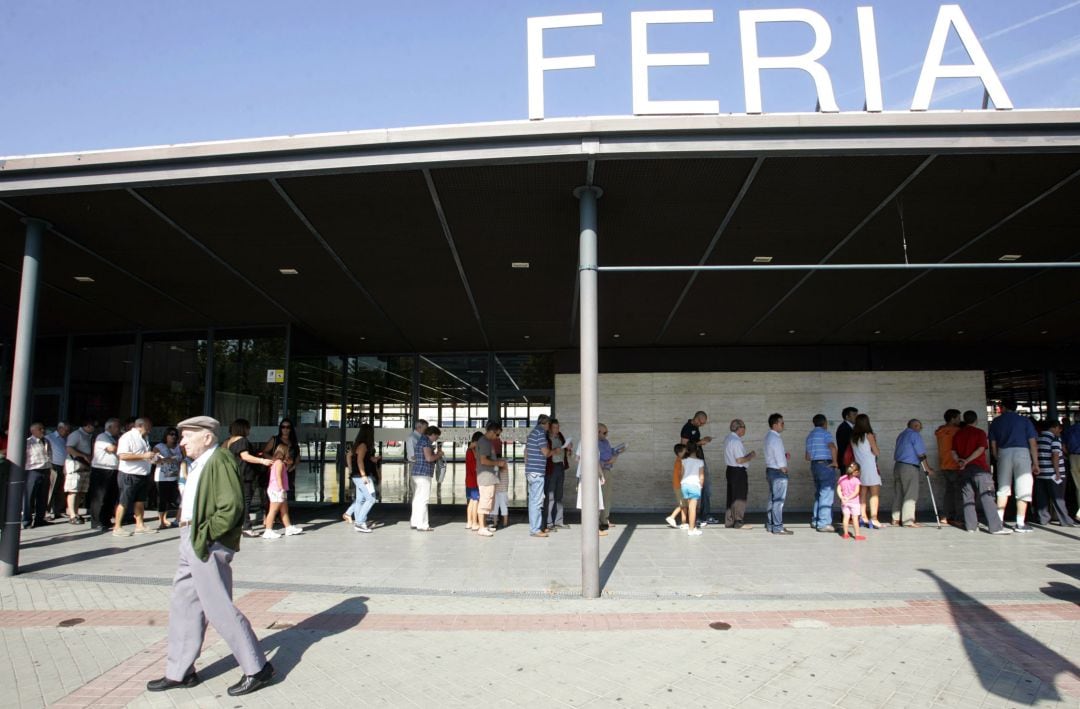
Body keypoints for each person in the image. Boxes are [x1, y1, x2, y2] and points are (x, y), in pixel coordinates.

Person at [146, 415, 274, 696]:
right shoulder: (200, 462)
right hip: (191, 536)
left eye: (187, 436)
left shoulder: (220, 460)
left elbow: (231, 507)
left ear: (206, 437)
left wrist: (205, 534)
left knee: (218, 607)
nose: (182, 441)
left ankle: (257, 668)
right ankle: (180, 672)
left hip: (205, 540)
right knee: (184, 605)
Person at [953, 409, 1010, 534]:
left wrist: (960, 462)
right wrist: (967, 461)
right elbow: (980, 449)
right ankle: (995, 527)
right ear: (976, 420)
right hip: (979, 469)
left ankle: (971, 526)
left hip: (964, 470)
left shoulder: (958, 434)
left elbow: (953, 452)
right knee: (987, 497)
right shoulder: (980, 433)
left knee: (967, 497)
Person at [988, 398, 1039, 533]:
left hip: (1003, 453)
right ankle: (1020, 523)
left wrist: (996, 456)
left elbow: (993, 443)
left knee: (1003, 488)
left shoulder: (996, 421)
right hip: (1022, 452)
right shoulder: (1025, 421)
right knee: (1023, 487)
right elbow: (1033, 443)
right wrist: (1035, 463)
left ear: (1004, 408)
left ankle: (998, 521)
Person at [114, 417, 160, 536]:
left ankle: (140, 525)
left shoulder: (145, 438)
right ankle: (117, 527)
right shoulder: (127, 437)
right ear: (140, 426)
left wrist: (153, 458)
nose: (150, 430)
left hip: (143, 474)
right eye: (148, 427)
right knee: (124, 501)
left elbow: (145, 455)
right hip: (129, 474)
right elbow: (123, 456)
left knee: (140, 501)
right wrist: (143, 456)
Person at [226, 419, 272, 537]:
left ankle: (238, 525)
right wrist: (262, 461)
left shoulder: (230, 441)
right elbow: (245, 456)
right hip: (245, 475)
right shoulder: (242, 441)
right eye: (248, 428)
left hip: (236, 474)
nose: (249, 430)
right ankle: (246, 527)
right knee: (246, 501)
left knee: (240, 501)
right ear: (243, 428)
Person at [892, 419, 932, 528]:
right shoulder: (915, 435)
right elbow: (921, 454)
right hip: (909, 467)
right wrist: (927, 468)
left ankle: (895, 519)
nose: (920, 429)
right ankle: (908, 521)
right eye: (919, 426)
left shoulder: (901, 435)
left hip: (898, 465)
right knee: (910, 494)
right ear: (914, 426)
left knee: (898, 493)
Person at [1035, 419, 1074, 527]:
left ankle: (1043, 519)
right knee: (1058, 498)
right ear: (1054, 427)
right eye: (1059, 428)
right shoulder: (1054, 439)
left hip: (1041, 473)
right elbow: (1055, 455)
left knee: (1042, 498)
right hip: (1053, 474)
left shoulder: (1038, 438)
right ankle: (1065, 520)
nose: (1059, 431)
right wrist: (1057, 472)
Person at [680, 411, 716, 525]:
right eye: (701, 422)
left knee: (705, 488)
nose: (702, 425)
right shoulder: (687, 428)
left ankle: (704, 514)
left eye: (703, 423)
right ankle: (696, 517)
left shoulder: (695, 427)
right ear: (696, 418)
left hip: (699, 460)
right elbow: (684, 445)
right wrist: (701, 442)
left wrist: (703, 440)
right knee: (697, 489)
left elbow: (693, 442)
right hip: (693, 462)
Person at [804, 414, 837, 533]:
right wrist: (835, 462)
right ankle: (824, 523)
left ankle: (816, 520)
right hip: (825, 465)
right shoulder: (825, 433)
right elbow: (832, 447)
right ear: (825, 422)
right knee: (827, 493)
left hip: (814, 465)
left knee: (819, 493)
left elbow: (807, 457)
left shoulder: (810, 436)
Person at [262, 444, 303, 539]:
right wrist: (281, 489)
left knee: (284, 510)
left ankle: (288, 528)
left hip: (278, 489)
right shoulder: (279, 463)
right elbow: (278, 477)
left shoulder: (279, 462)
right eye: (288, 452)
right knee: (273, 510)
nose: (289, 454)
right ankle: (268, 531)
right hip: (277, 490)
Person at [850, 414, 884, 529]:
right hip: (870, 467)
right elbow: (876, 452)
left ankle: (863, 516)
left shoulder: (853, 438)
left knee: (862, 493)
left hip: (859, 467)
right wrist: (875, 440)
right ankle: (874, 519)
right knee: (874, 494)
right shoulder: (868, 435)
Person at [344, 424, 379, 533]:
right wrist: (364, 475)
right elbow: (359, 461)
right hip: (362, 476)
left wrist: (351, 469)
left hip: (356, 476)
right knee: (371, 499)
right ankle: (359, 523)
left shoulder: (357, 445)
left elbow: (349, 456)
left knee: (360, 499)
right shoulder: (363, 445)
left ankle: (360, 521)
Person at [88, 418, 120, 531]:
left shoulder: (115, 438)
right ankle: (96, 521)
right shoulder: (102, 437)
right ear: (109, 427)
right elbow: (111, 448)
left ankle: (106, 519)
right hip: (101, 469)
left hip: (113, 469)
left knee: (110, 496)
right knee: (99, 497)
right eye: (117, 427)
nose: (118, 429)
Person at [724, 419, 756, 529]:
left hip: (730, 469)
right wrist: (751, 455)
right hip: (738, 471)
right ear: (740, 428)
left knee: (731, 496)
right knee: (739, 496)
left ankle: (729, 521)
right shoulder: (736, 441)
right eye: (744, 427)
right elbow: (739, 460)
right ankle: (738, 521)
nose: (745, 429)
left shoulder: (728, 438)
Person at [525, 415, 553, 538]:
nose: (549, 427)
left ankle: (534, 527)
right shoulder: (540, 433)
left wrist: (527, 469)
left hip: (531, 472)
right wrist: (555, 451)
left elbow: (526, 452)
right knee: (537, 502)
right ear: (546, 423)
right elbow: (545, 452)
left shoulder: (532, 433)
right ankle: (536, 529)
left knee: (533, 501)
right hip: (537, 473)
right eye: (549, 425)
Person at [764, 413, 792, 535]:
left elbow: (773, 454)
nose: (783, 425)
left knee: (772, 499)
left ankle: (771, 524)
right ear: (775, 425)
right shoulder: (775, 438)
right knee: (778, 501)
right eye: (782, 423)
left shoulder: (768, 436)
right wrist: (783, 468)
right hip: (778, 472)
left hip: (771, 470)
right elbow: (778, 455)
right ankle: (778, 527)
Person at [410, 425, 443, 532]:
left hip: (416, 472)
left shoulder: (420, 441)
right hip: (423, 473)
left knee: (417, 499)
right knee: (423, 499)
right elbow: (429, 458)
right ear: (432, 434)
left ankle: (415, 522)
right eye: (436, 437)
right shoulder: (426, 442)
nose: (436, 439)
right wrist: (439, 455)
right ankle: (423, 524)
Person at [476, 423, 506, 537]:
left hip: (489, 477)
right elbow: (483, 460)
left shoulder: (487, 442)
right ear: (492, 431)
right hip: (486, 477)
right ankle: (481, 527)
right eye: (497, 434)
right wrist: (497, 463)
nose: (497, 437)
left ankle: (483, 525)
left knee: (488, 502)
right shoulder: (484, 442)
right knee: (485, 502)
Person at [63, 418, 95, 525]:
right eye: (93, 426)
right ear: (88, 426)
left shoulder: (89, 436)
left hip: (85, 466)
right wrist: (83, 455)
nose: (94, 429)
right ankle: (72, 515)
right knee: (73, 490)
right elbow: (69, 448)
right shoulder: (76, 434)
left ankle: (76, 513)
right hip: (75, 465)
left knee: (81, 492)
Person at [934, 410, 963, 526]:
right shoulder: (956, 431)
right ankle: (958, 518)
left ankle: (945, 516)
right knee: (959, 493)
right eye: (958, 418)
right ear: (952, 418)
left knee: (949, 492)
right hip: (954, 464)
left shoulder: (940, 431)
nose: (960, 420)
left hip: (944, 464)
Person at [262, 419, 300, 502]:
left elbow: (297, 457)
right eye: (283, 427)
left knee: (288, 494)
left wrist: (293, 466)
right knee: (276, 493)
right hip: (276, 470)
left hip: (289, 471)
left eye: (288, 427)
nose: (285, 429)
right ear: (280, 428)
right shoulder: (275, 439)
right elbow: (264, 452)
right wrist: (275, 460)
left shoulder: (293, 442)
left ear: (291, 429)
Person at [23, 423, 52, 529]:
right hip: (33, 470)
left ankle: (40, 519)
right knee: (29, 497)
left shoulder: (46, 441)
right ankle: (27, 521)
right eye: (40, 429)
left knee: (43, 496)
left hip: (46, 470)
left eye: (43, 428)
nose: (43, 430)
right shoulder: (28, 442)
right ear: (33, 431)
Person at [545, 418, 572, 531]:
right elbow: (545, 453)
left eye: (558, 427)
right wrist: (554, 451)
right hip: (551, 468)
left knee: (559, 496)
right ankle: (549, 523)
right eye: (555, 427)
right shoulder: (546, 438)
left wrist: (569, 449)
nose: (557, 429)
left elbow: (568, 453)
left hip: (560, 466)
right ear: (550, 428)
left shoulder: (560, 436)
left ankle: (559, 521)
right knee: (550, 496)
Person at [154, 427, 183, 529]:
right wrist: (166, 459)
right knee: (162, 499)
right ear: (166, 435)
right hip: (162, 477)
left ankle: (169, 518)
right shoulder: (160, 446)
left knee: (174, 499)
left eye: (175, 434)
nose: (173, 436)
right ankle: (162, 520)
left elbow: (184, 459)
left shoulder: (179, 447)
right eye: (171, 434)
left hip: (175, 476)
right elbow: (154, 460)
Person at [45, 422, 70, 520]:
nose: (67, 432)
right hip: (54, 465)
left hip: (64, 466)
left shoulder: (66, 439)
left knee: (61, 490)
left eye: (68, 430)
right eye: (66, 430)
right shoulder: (49, 437)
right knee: (50, 490)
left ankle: (59, 511)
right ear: (60, 428)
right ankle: (46, 511)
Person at [837, 461, 866, 541]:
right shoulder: (856, 481)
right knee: (855, 518)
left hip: (844, 502)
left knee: (846, 517)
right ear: (856, 472)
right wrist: (849, 498)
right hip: (854, 502)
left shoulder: (842, 478)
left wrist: (842, 497)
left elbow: (838, 489)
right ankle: (857, 535)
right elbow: (856, 492)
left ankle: (845, 534)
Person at [681, 442, 705, 536]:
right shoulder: (700, 462)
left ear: (687, 449)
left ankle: (693, 527)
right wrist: (700, 487)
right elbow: (701, 476)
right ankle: (691, 529)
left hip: (684, 485)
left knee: (689, 507)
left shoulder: (684, 460)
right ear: (697, 449)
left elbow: (682, 474)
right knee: (693, 509)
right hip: (694, 486)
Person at [665, 443, 689, 529]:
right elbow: (681, 474)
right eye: (685, 450)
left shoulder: (679, 460)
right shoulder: (680, 461)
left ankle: (683, 523)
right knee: (683, 504)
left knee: (684, 505)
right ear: (680, 452)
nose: (686, 451)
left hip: (678, 485)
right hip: (680, 486)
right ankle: (672, 517)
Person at [464, 431, 482, 531]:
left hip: (469, 480)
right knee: (475, 501)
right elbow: (475, 467)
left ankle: (469, 522)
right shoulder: (471, 451)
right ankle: (475, 523)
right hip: (474, 480)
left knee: (471, 501)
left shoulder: (469, 450)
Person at [1065, 418, 1080, 523]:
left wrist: (1069, 455)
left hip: (1073, 457)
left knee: (1078, 487)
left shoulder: (1069, 429)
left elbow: (1063, 446)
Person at [835, 407, 859, 471]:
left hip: (849, 460)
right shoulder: (843, 428)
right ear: (847, 417)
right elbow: (849, 444)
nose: (857, 417)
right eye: (854, 415)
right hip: (846, 461)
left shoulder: (852, 427)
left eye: (857, 414)